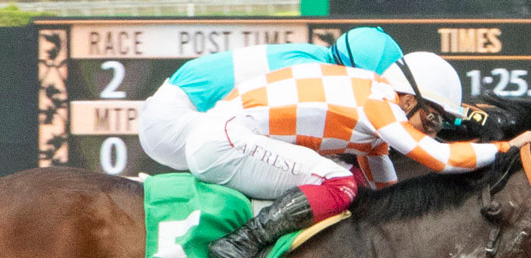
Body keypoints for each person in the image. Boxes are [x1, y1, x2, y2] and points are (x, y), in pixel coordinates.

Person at [183, 51, 531, 258]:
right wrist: (506, 148)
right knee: (339, 182)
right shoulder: (378, 105)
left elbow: (386, 196)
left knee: (349, 181)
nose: (433, 130)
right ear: (408, 100)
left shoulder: (373, 109)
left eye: (440, 124)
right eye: (432, 119)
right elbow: (439, 158)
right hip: (222, 142)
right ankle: (240, 243)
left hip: (225, 135)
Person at [138, 27, 403, 172]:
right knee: (319, 173)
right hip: (174, 124)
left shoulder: (317, 58)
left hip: (173, 115)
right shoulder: (312, 72)